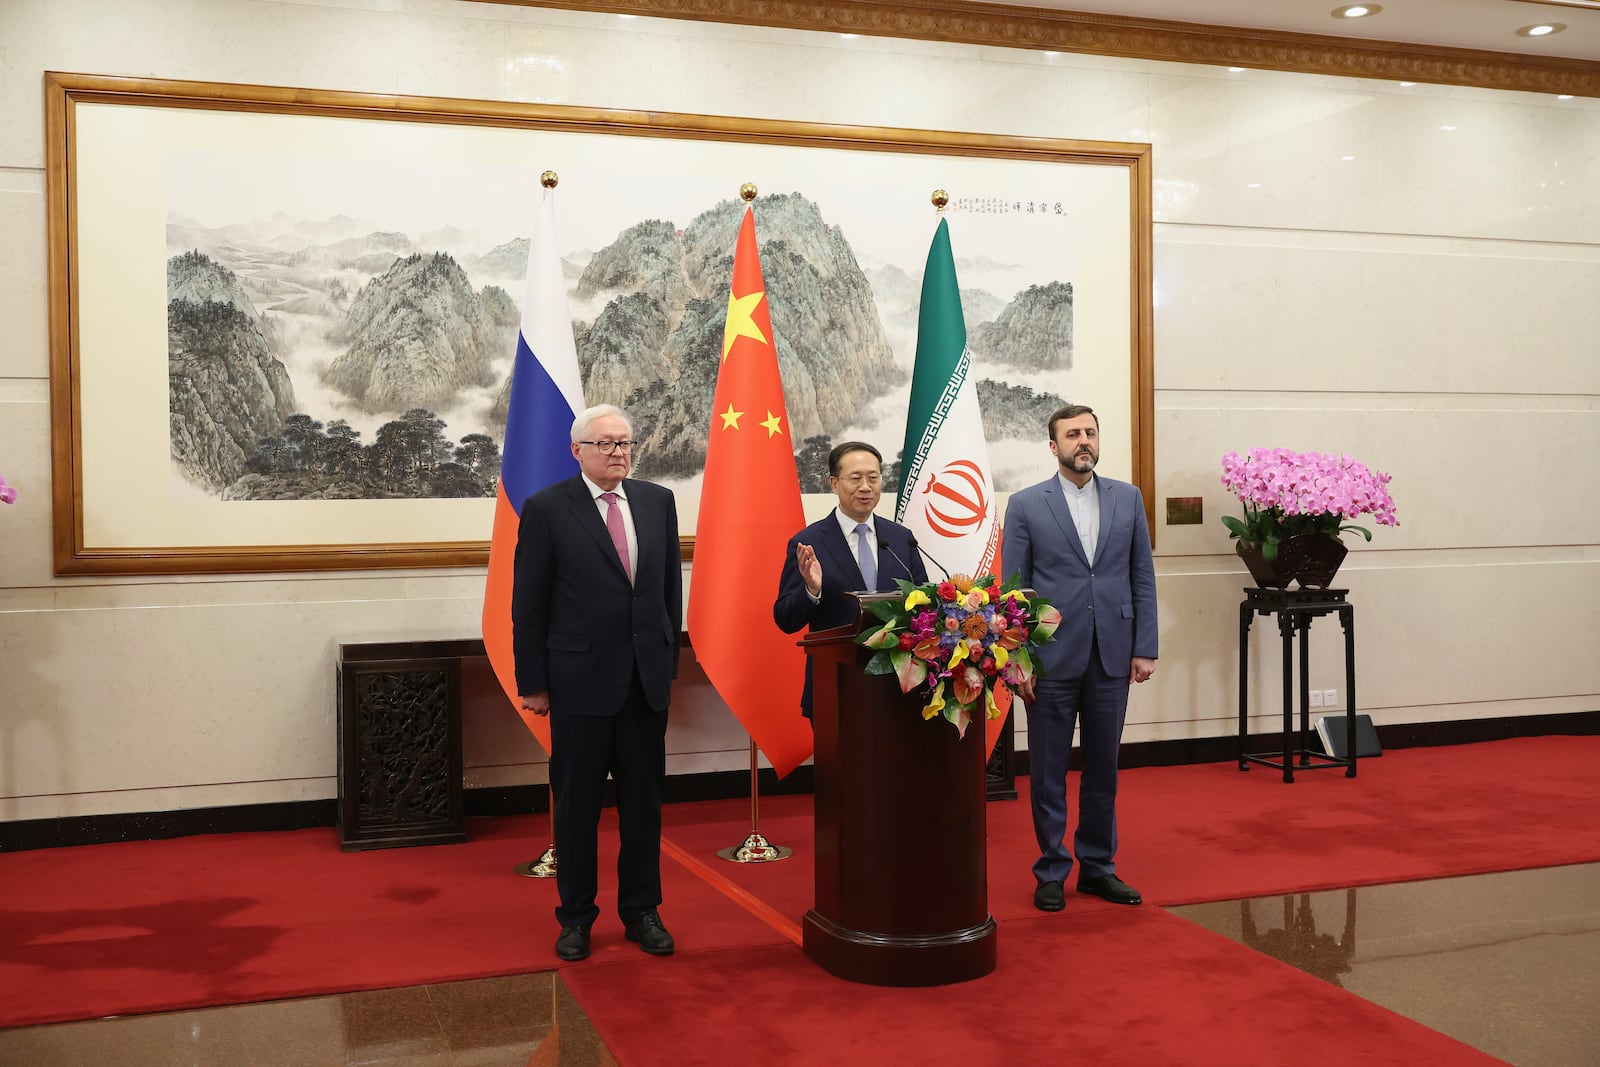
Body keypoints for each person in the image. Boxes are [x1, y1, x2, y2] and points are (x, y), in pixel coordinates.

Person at [512, 403, 682, 962]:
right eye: (606, 443)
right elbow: (529, 604)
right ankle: (577, 918)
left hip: (643, 684)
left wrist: (668, 664)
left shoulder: (658, 502)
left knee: (643, 806)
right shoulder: (546, 509)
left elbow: (665, 594)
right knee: (578, 808)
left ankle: (641, 911)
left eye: (625, 443)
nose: (618, 452)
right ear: (577, 450)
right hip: (578, 682)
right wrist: (533, 681)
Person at [1004, 404, 1157, 911]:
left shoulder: (1128, 498)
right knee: (1048, 770)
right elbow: (1014, 590)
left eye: (1090, 432)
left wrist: (1145, 646)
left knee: (1104, 769)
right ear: (1054, 447)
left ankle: (1098, 868)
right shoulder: (1026, 505)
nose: (1083, 441)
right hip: (1049, 658)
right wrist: (1016, 658)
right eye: (1072, 435)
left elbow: (1142, 576)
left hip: (1113, 655)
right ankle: (1051, 870)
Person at [773, 441, 928, 718]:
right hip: (836, 689)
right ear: (834, 484)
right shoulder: (808, 542)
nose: (866, 486)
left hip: (899, 690)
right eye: (855, 478)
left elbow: (924, 607)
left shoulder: (900, 539)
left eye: (873, 477)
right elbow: (785, 619)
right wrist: (811, 589)